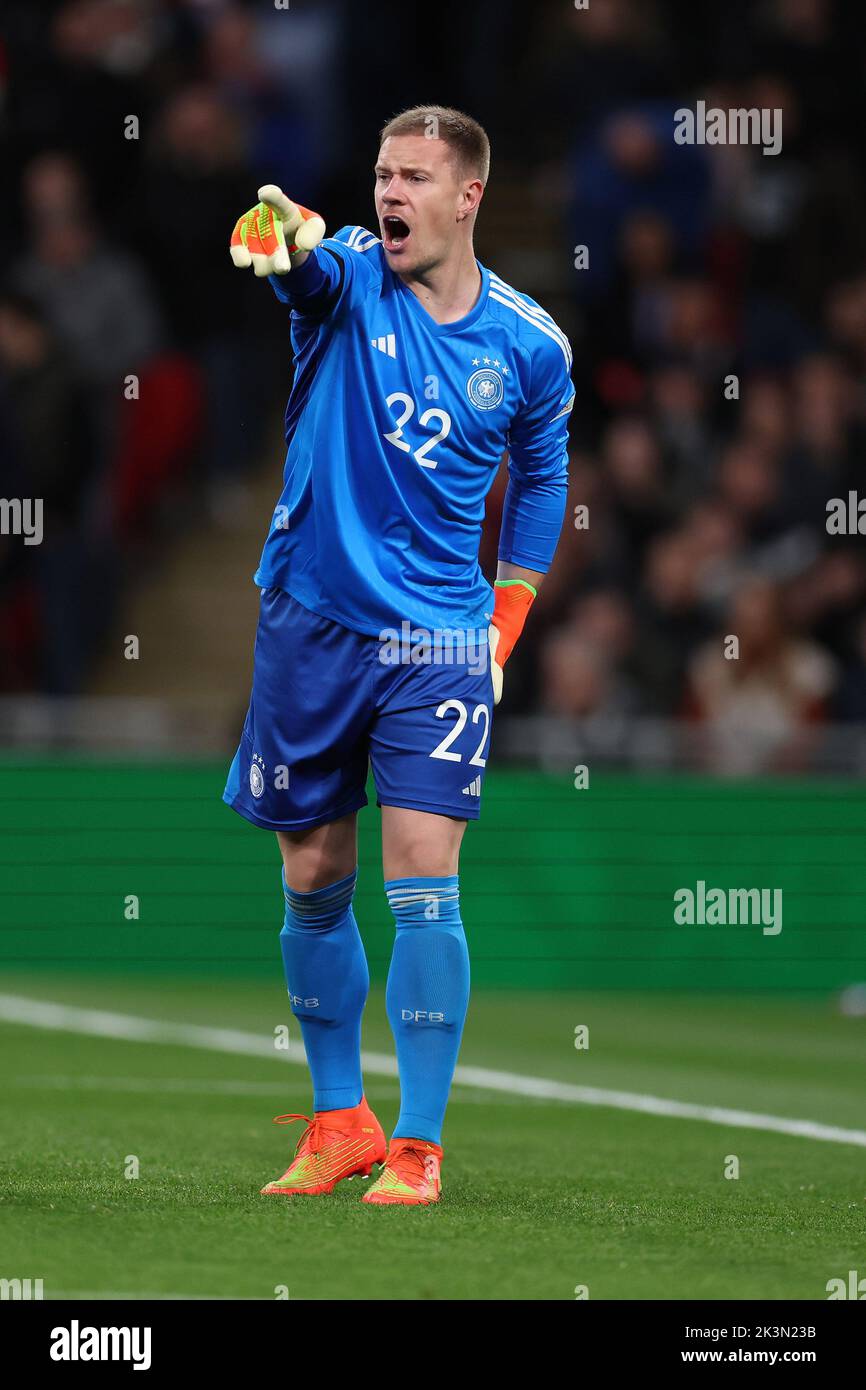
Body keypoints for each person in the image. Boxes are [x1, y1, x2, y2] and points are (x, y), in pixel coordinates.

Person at [223, 105, 573, 1205]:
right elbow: (297, 275)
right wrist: (279, 239)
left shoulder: (528, 344)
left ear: (467, 196)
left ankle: (417, 1142)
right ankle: (339, 1121)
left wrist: (506, 621)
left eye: (414, 177)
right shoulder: (344, 276)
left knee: (425, 870)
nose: (391, 194)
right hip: (309, 620)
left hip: (437, 640)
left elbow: (542, 479)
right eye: (381, 173)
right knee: (312, 874)